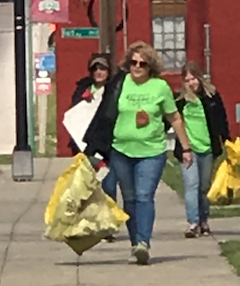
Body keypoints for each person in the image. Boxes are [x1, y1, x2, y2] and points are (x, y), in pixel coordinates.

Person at [82, 41, 192, 265]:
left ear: (150, 66)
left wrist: (186, 148)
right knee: (129, 199)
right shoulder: (120, 84)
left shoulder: (160, 87)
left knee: (144, 196)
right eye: (133, 62)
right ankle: (135, 243)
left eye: (142, 63)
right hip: (121, 150)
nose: (137, 66)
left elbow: (174, 118)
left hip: (152, 151)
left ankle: (144, 243)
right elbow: (105, 114)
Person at [173, 61, 230, 238]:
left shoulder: (212, 96)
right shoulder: (180, 100)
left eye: (194, 79)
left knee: (204, 187)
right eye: (187, 80)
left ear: (200, 78)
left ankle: (204, 220)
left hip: (208, 148)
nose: (192, 83)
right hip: (188, 150)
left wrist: (227, 141)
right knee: (191, 185)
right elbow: (171, 120)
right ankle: (193, 223)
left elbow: (221, 120)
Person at [67, 53, 118, 242]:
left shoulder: (115, 90)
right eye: (95, 69)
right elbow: (74, 116)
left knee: (108, 186)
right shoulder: (82, 90)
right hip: (86, 148)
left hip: (108, 147)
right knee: (88, 188)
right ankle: (89, 225)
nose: (99, 72)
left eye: (103, 68)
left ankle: (107, 227)